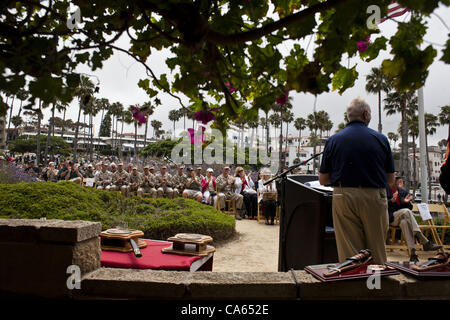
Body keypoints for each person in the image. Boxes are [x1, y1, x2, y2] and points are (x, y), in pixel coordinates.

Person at [319, 97, 395, 264]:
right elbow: (390, 179)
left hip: (343, 196)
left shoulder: (333, 140)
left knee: (349, 253)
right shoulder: (381, 139)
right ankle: (374, 285)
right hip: (374, 196)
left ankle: (353, 286)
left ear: (349, 116)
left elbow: (323, 179)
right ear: (366, 114)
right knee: (376, 250)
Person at [388, 176, 442, 262]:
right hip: (391, 218)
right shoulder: (385, 191)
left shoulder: (402, 191)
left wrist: (405, 202)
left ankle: (413, 254)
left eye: (397, 182)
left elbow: (410, 207)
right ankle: (424, 240)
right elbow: (381, 205)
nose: (395, 183)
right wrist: (391, 201)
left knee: (404, 223)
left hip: (402, 218)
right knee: (406, 212)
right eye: (394, 181)